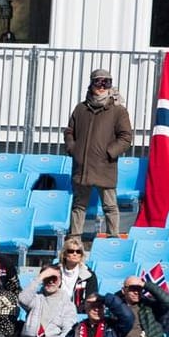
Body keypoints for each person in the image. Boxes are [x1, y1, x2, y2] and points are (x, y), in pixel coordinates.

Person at [65, 69, 132, 239]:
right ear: (91, 84)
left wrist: (109, 153)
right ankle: (75, 239)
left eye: (106, 82)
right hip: (83, 167)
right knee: (79, 205)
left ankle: (113, 237)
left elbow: (126, 138)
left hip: (105, 166)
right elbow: (69, 132)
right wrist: (74, 150)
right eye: (98, 82)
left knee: (109, 205)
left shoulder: (118, 111)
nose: (102, 86)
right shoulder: (80, 108)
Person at [22, 268, 80, 337]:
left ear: (60, 281)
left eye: (54, 278)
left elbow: (68, 331)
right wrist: (40, 278)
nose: (51, 282)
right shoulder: (36, 297)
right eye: (47, 278)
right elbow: (22, 299)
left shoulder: (67, 304)